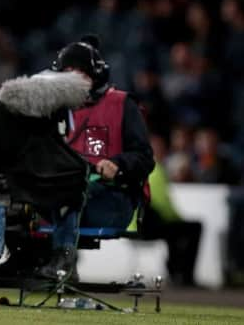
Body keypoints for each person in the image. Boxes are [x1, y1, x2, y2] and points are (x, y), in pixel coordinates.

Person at [35, 35, 155, 281]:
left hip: (112, 199)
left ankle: (63, 260)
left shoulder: (122, 104)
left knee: (68, 189)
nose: (72, 81)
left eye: (79, 74)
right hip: (63, 197)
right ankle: (22, 259)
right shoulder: (55, 108)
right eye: (67, 74)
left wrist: (118, 165)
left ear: (95, 75)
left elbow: (144, 157)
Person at [140, 133, 202, 287]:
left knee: (177, 233)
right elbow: (162, 205)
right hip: (149, 224)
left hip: (140, 223)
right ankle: (185, 276)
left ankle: (176, 272)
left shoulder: (141, 168)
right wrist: (178, 219)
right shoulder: (155, 169)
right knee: (191, 229)